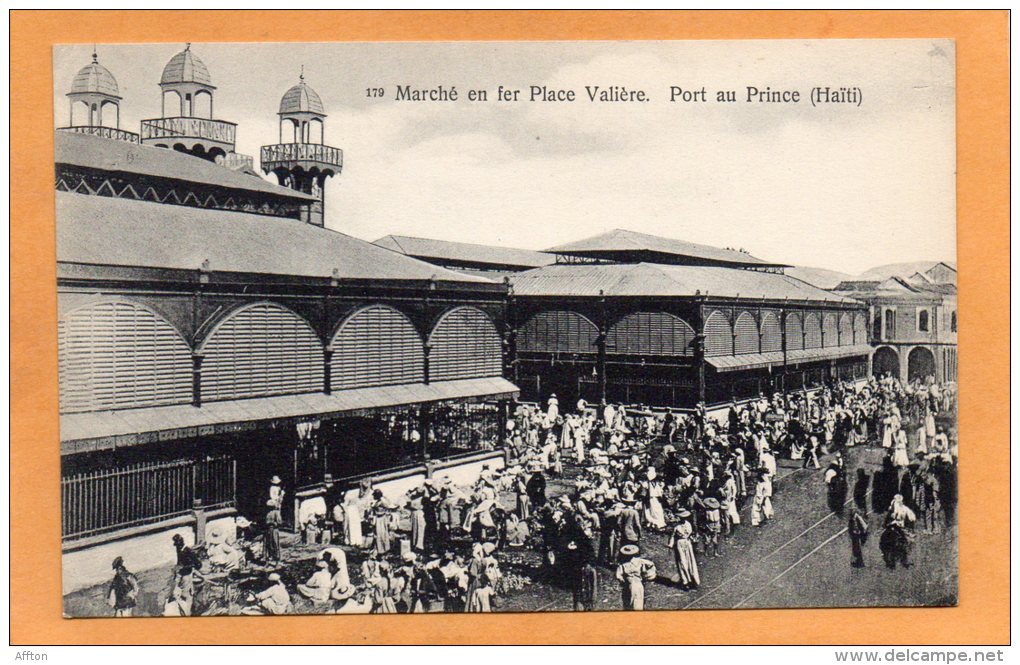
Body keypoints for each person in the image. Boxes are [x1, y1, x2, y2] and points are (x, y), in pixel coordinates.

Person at [615, 544, 657, 610]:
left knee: (636, 601)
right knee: (631, 602)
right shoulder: (624, 564)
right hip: (631, 585)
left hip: (635, 584)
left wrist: (647, 574)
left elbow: (650, 564)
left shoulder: (637, 561)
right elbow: (618, 575)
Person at [668, 510, 700, 590]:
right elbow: (672, 536)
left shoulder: (688, 525)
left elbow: (691, 534)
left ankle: (694, 581)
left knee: (690, 561)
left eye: (684, 517)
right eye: (681, 517)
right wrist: (670, 545)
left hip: (687, 543)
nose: (682, 519)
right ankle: (685, 581)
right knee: (682, 562)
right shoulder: (677, 526)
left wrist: (693, 539)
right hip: (679, 544)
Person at [264, 499, 283, 563]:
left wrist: (274, 523)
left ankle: (277, 558)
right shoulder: (267, 513)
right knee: (269, 543)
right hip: (268, 529)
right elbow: (266, 521)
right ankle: (270, 556)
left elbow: (279, 522)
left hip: (274, 529)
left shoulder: (276, 512)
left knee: (275, 543)